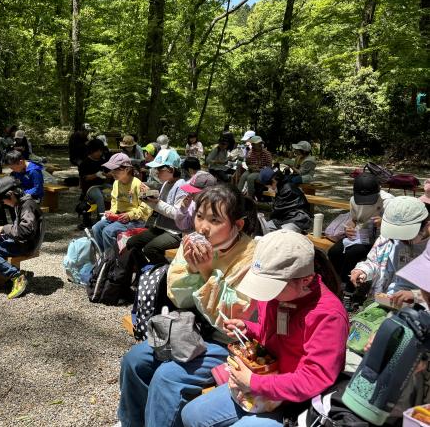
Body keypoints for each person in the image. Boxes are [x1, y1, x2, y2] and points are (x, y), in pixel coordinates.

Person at [116, 185, 258, 427]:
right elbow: (178, 297)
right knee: (135, 360)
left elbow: (233, 317)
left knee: (167, 377)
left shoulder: (250, 256)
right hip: (190, 329)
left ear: (238, 225)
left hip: (230, 343)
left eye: (215, 220)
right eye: (199, 216)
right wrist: (193, 268)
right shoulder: (190, 243)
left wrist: (205, 270)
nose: (203, 226)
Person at [181, 230, 349, 427]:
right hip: (264, 380)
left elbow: (315, 378)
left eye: (272, 287)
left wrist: (253, 383)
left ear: (306, 280)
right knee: (192, 414)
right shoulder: (278, 296)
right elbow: (274, 335)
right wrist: (249, 329)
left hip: (297, 402)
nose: (265, 295)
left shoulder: (328, 315)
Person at [350, 196, 430, 304]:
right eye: (395, 235)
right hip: (390, 298)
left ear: (426, 226)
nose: (399, 239)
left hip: (423, 306)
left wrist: (416, 295)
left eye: (406, 235)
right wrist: (363, 270)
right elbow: (374, 262)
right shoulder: (389, 238)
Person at [328, 172, 393, 287]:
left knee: (353, 253)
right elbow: (354, 220)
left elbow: (397, 225)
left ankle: (348, 286)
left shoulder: (388, 201)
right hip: (360, 235)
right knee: (334, 252)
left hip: (380, 237)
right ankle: (334, 282)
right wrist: (350, 228)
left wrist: (384, 222)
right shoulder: (354, 200)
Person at [126, 150, 186, 265]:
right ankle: (144, 272)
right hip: (161, 227)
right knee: (132, 243)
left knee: (151, 249)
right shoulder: (166, 183)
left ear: (171, 169)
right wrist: (146, 198)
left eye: (159, 169)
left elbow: (177, 214)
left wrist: (156, 202)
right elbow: (159, 206)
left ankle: (165, 275)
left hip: (175, 232)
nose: (156, 172)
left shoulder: (182, 187)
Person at [90, 153, 152, 254]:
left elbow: (147, 208)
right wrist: (111, 212)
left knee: (108, 232)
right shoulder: (116, 183)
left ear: (127, 169)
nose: (112, 173)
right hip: (119, 217)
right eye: (112, 170)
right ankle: (105, 256)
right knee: (96, 228)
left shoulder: (138, 184)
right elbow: (114, 201)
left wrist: (130, 215)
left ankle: (113, 260)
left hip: (136, 220)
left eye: (116, 170)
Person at [258, 166, 312, 233]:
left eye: (268, 186)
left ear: (274, 181)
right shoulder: (283, 185)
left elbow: (276, 209)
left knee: (281, 234)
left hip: (298, 219)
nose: (270, 188)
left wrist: (255, 204)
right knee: (263, 228)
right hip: (288, 217)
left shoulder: (287, 189)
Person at [79, 139, 111, 215]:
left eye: (101, 151)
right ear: (91, 150)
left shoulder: (102, 161)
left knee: (114, 190)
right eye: (97, 151)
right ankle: (102, 218)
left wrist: (108, 175)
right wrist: (96, 175)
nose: (99, 153)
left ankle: (113, 215)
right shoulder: (85, 162)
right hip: (90, 187)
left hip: (102, 185)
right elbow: (84, 178)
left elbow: (108, 173)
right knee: (99, 197)